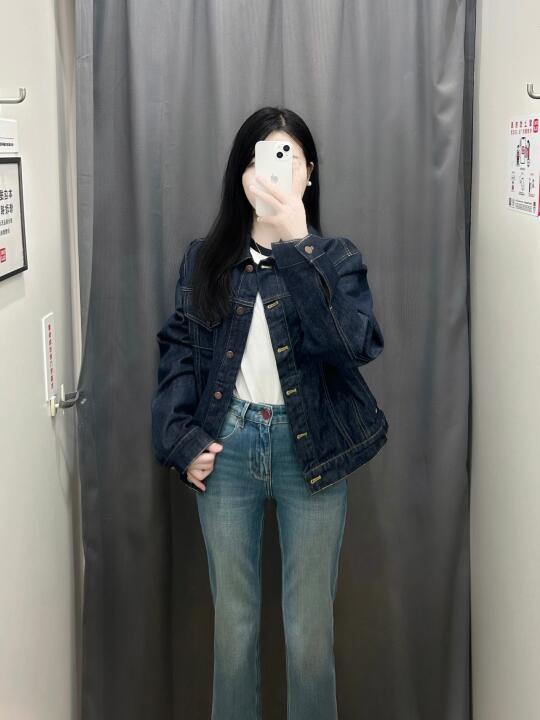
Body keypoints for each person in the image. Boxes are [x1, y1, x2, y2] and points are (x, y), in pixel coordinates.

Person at [151, 106, 389, 720]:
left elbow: (353, 346)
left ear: (309, 173)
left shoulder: (335, 258)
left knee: (309, 635)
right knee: (233, 632)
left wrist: (300, 244)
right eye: (263, 159)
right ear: (243, 173)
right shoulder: (205, 259)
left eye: (290, 158)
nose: (276, 172)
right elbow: (179, 350)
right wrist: (181, 439)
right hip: (227, 446)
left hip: (312, 452)